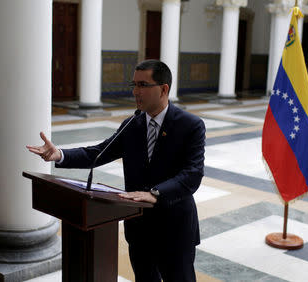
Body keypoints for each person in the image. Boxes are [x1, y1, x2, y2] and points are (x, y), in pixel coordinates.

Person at [26, 59, 206, 282]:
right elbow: (98, 152)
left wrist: (155, 193)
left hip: (174, 227)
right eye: (134, 85)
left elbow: (192, 174)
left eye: (142, 85)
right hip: (139, 227)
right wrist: (60, 154)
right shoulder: (132, 124)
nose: (135, 92)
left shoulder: (190, 125)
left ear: (163, 89)